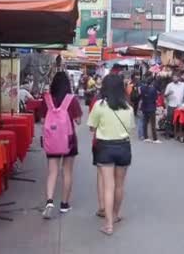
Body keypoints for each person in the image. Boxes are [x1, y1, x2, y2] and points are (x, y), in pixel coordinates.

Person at [87, 74, 135, 235]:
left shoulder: (99, 106)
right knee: (120, 185)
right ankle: (115, 215)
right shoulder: (129, 108)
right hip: (123, 147)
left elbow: (92, 128)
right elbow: (130, 129)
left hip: (105, 147)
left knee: (109, 186)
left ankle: (108, 225)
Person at [41, 72, 83, 219]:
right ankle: (64, 204)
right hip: (69, 141)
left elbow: (42, 120)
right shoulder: (71, 100)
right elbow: (78, 121)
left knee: (52, 172)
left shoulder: (46, 99)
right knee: (67, 172)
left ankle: (49, 201)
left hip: (52, 141)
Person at [164, 74, 184, 139]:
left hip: (179, 105)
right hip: (171, 104)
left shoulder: (182, 85)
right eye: (173, 78)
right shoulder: (170, 85)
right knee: (169, 119)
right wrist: (169, 93)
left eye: (176, 77)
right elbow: (165, 95)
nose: (174, 79)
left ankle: (176, 134)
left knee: (179, 120)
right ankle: (168, 134)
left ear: (178, 78)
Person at [139, 76, 160, 143]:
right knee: (153, 124)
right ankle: (155, 139)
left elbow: (141, 96)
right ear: (152, 82)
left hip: (144, 106)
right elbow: (155, 98)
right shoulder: (153, 89)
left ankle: (146, 137)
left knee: (145, 122)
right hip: (151, 107)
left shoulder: (142, 88)